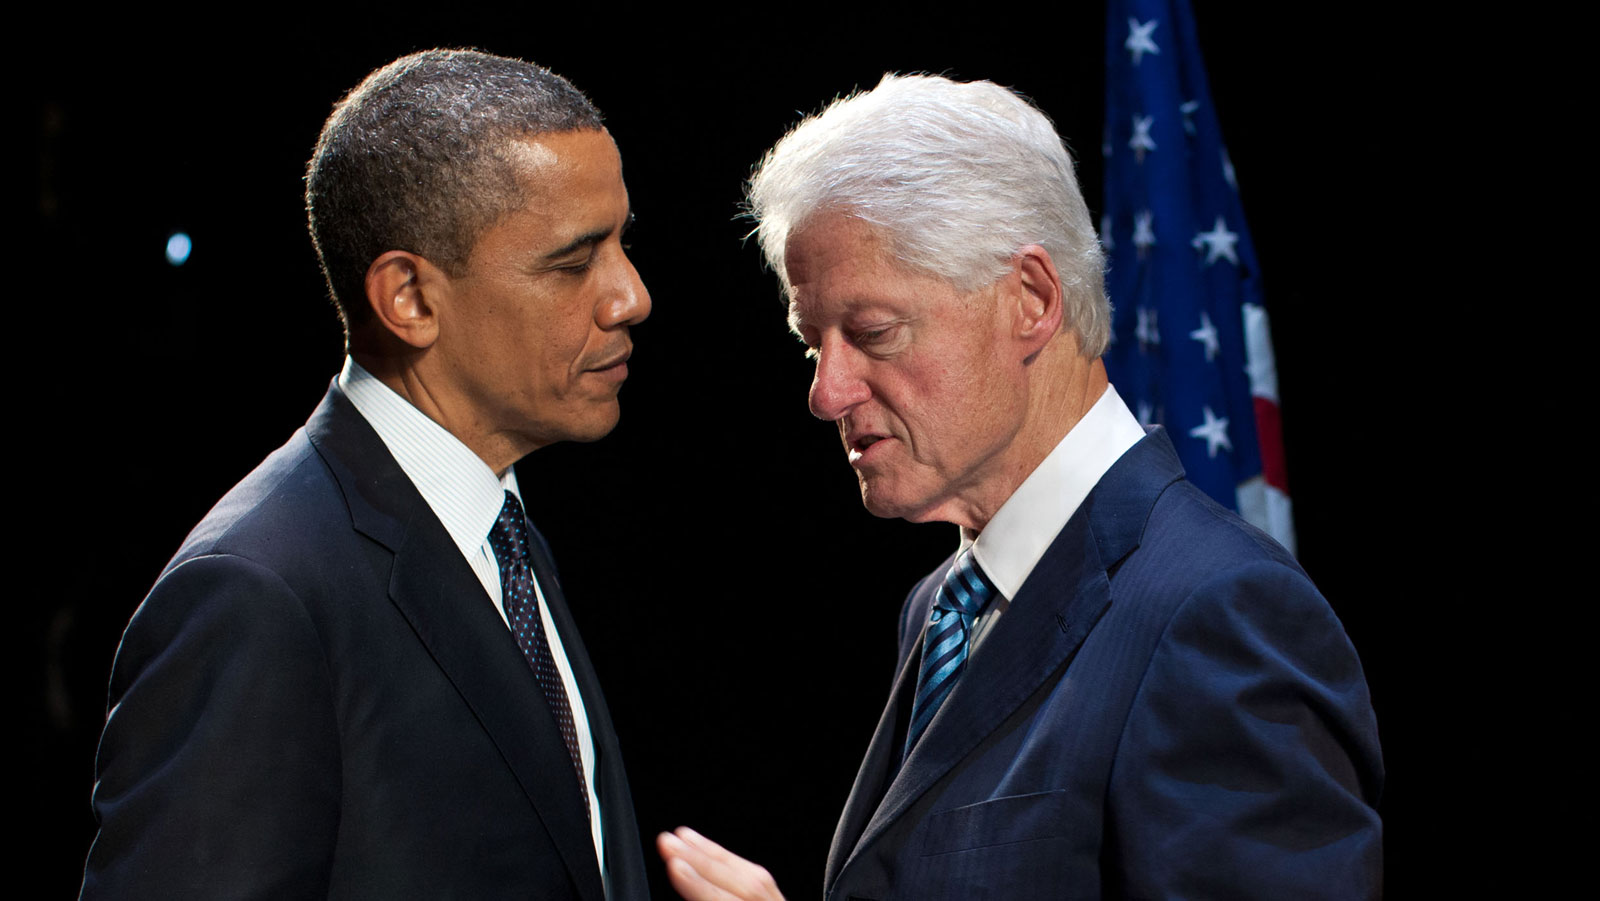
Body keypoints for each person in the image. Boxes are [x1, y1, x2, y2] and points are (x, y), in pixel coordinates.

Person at [657, 74, 1382, 900]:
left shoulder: (1218, 611)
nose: (826, 393)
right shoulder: (940, 607)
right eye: (812, 343)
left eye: (872, 331)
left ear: (1031, 299)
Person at [81, 49, 652, 899]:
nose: (630, 296)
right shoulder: (257, 594)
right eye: (574, 262)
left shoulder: (505, 537)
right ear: (409, 299)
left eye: (622, 243)